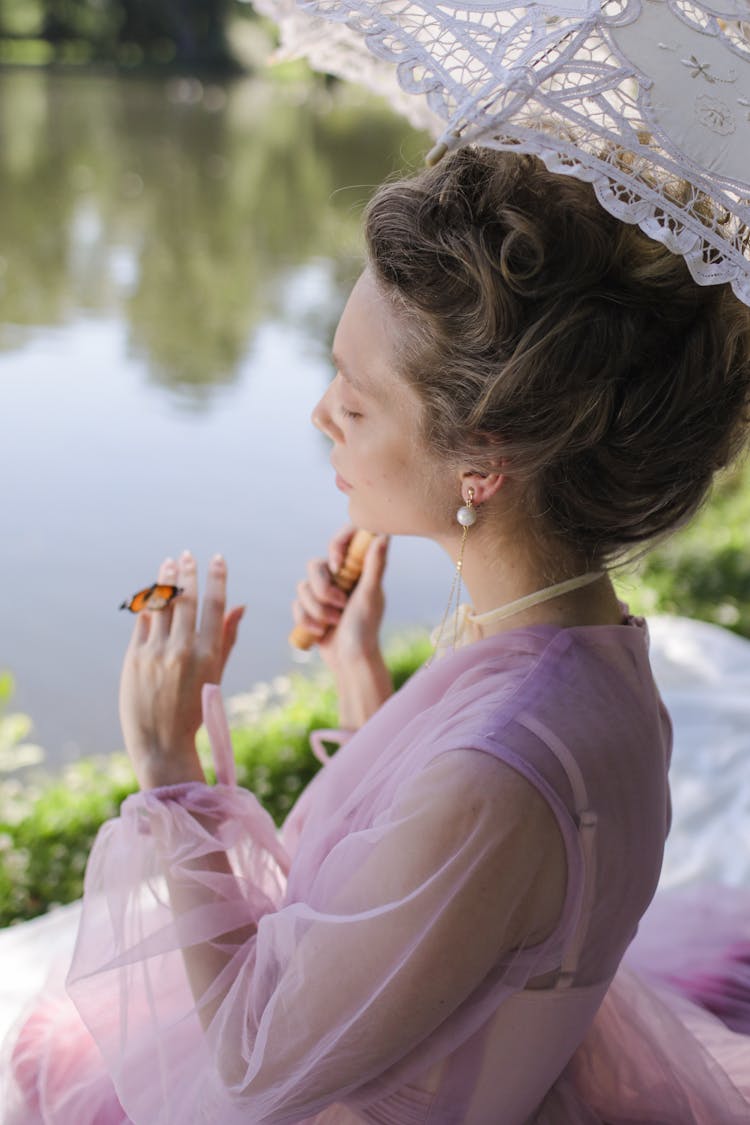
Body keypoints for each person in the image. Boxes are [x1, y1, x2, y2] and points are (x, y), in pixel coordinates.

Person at [4, 147, 750, 1123]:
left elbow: (258, 1057)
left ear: (481, 462)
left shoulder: (504, 764)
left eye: (355, 402)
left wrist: (169, 766)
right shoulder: (590, 650)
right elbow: (448, 902)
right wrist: (359, 671)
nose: (320, 415)